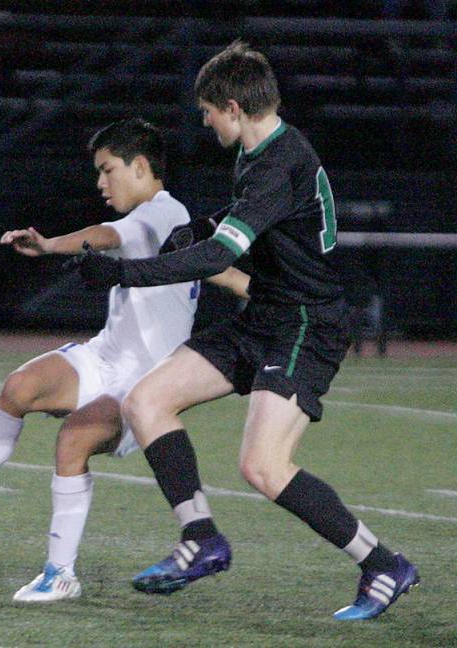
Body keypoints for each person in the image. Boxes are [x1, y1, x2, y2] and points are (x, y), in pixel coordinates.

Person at [73, 41, 418, 620]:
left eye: (208, 110)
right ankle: (201, 539)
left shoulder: (279, 163)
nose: (204, 121)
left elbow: (220, 257)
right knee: (146, 400)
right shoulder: (260, 154)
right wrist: (198, 228)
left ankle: (382, 563)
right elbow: (250, 228)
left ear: (233, 106)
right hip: (267, 314)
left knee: (262, 466)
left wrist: (123, 272)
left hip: (307, 324)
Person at [0, 118, 250, 602]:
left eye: (108, 170)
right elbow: (215, 269)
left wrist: (48, 245)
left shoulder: (162, 212)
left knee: (73, 441)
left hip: (143, 384)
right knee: (19, 387)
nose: (100, 183)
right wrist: (250, 287)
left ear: (141, 166)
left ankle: (60, 574)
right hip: (105, 356)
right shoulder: (173, 226)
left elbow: (106, 235)